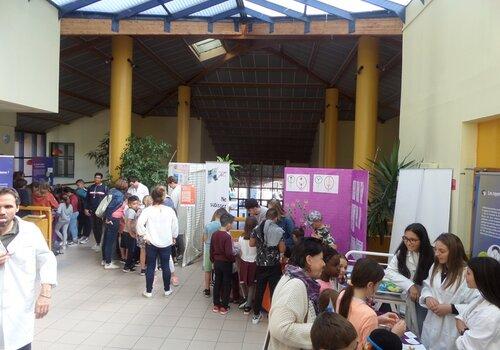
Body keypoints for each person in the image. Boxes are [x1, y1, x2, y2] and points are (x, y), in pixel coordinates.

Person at [0, 187, 57, 350]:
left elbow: (46, 259)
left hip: (19, 310)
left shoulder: (30, 231)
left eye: (8, 206)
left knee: (18, 345)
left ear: (17, 207)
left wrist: (45, 293)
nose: (2, 211)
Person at [419, 233, 479, 350]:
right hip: (431, 324)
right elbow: (427, 286)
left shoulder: (466, 273)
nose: (436, 254)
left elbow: (475, 304)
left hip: (451, 328)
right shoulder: (436, 267)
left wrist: (451, 308)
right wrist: (427, 297)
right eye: (436, 250)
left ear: (454, 252)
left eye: (442, 251)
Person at [336, 258, 406, 350]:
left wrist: (378, 320)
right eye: (379, 284)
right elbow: (370, 347)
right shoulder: (368, 314)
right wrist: (394, 335)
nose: (378, 287)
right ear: (370, 285)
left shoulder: (342, 295)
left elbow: (354, 323)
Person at [267, 238, 324, 350]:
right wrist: (321, 332)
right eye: (321, 259)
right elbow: (280, 327)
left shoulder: (293, 275)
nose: (324, 264)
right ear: (309, 259)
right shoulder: (296, 285)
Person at [384, 223, 434, 336]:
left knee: (422, 326)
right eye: (405, 238)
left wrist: (420, 290)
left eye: (413, 240)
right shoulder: (403, 252)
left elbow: (433, 280)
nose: (408, 242)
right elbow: (390, 271)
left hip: (428, 296)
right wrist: (410, 286)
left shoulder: (431, 255)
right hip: (412, 295)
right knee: (412, 326)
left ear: (422, 240)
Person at [136, 185, 178, 297]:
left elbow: (139, 224)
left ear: (152, 197)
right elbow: (175, 226)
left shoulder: (147, 210)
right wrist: (174, 236)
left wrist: (144, 236)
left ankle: (148, 291)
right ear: (164, 197)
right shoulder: (170, 211)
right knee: (165, 266)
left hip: (151, 242)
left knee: (150, 266)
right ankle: (167, 290)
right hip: (166, 242)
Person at [250, 207, 285, 324]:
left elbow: (251, 243)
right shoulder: (278, 230)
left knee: (259, 289)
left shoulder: (256, 228)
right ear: (276, 218)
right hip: (274, 265)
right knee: (274, 290)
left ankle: (255, 315)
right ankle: (273, 316)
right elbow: (281, 248)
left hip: (260, 264)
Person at [455, 257, 500, 349]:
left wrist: (463, 331)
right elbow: (461, 317)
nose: (465, 276)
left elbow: (467, 345)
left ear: (481, 276)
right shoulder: (483, 297)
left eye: (468, 273)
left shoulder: (491, 314)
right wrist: (464, 328)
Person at [210, 213, 237, 315]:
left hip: (216, 262)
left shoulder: (214, 234)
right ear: (228, 224)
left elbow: (211, 250)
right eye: (232, 223)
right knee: (226, 283)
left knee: (217, 282)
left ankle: (216, 304)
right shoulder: (227, 236)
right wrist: (233, 259)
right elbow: (229, 253)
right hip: (226, 263)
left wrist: (213, 260)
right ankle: (224, 306)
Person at [101, 179, 128, 270]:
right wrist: (109, 218)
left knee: (106, 240)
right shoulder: (119, 195)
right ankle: (108, 263)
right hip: (113, 219)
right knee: (110, 241)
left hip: (109, 218)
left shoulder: (111, 191)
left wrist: (106, 218)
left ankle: (105, 259)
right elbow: (111, 207)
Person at [202, 207, 228, 297]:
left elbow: (204, 240)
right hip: (219, 250)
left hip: (209, 249)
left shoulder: (208, 225)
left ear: (215, 214)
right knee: (218, 270)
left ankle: (207, 289)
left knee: (207, 270)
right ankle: (218, 288)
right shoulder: (223, 226)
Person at [81, 172, 108, 250]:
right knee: (94, 227)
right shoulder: (90, 187)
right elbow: (87, 199)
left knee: (99, 227)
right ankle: (97, 243)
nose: (97, 179)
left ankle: (99, 244)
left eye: (98, 178)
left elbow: (107, 200)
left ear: (101, 179)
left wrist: (105, 212)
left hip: (100, 212)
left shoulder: (105, 188)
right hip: (92, 211)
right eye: (95, 177)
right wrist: (86, 208)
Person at [238, 215, 258, 314]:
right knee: (252, 285)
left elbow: (240, 252)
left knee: (243, 282)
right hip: (254, 263)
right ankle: (248, 305)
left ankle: (246, 300)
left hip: (243, 262)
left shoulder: (241, 237)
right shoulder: (257, 238)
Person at [122, 195, 141, 273]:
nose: (136, 205)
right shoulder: (131, 211)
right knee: (131, 250)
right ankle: (127, 266)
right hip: (129, 233)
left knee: (132, 249)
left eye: (137, 203)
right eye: (134, 204)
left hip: (129, 232)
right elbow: (128, 222)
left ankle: (131, 265)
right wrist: (131, 233)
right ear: (129, 205)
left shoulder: (131, 210)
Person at [136, 195, 153, 275]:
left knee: (142, 251)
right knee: (152, 251)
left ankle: (142, 269)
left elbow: (137, 222)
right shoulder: (152, 210)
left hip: (141, 234)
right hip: (150, 233)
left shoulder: (140, 210)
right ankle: (152, 267)